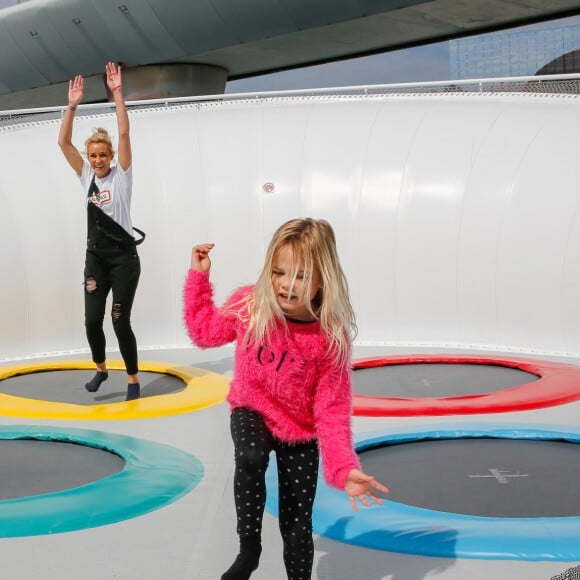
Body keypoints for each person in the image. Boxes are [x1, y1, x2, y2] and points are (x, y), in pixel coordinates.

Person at [183, 218, 388, 580]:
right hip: (253, 408)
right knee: (250, 455)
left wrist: (343, 468)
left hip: (300, 431)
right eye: (279, 272)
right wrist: (199, 279)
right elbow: (203, 333)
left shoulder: (329, 337)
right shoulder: (251, 305)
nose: (287, 286)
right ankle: (249, 550)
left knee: (297, 523)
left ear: (322, 280)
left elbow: (332, 410)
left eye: (301, 277)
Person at [58, 62, 142, 401]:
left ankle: (133, 380)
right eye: (92, 155)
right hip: (96, 258)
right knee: (92, 321)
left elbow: (123, 134)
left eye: (102, 155)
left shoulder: (121, 176)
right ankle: (101, 369)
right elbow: (63, 143)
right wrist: (72, 106)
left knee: (120, 321)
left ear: (110, 156)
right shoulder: (86, 177)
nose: (97, 160)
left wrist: (118, 94)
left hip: (124, 259)